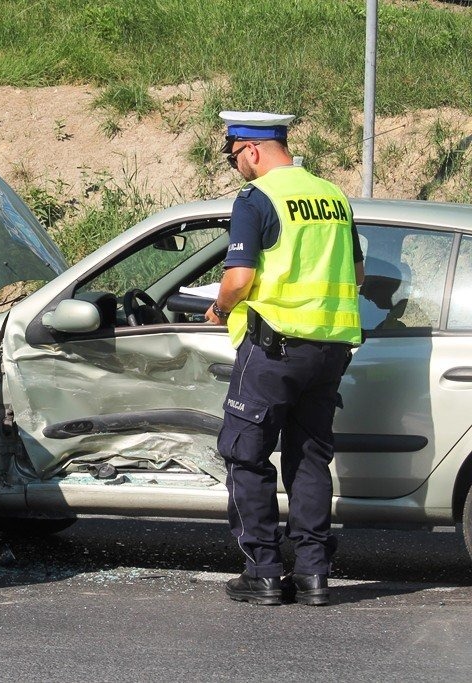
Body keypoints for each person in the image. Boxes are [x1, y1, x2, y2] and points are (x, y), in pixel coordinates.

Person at [204, 111, 364, 606]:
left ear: (251, 149)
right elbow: (356, 275)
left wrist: (218, 309)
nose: (237, 168)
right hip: (330, 349)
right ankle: (314, 575)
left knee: (245, 454)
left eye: (234, 158)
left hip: (273, 349)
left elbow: (238, 279)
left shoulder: (258, 199)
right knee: (310, 457)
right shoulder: (333, 196)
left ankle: (265, 574)